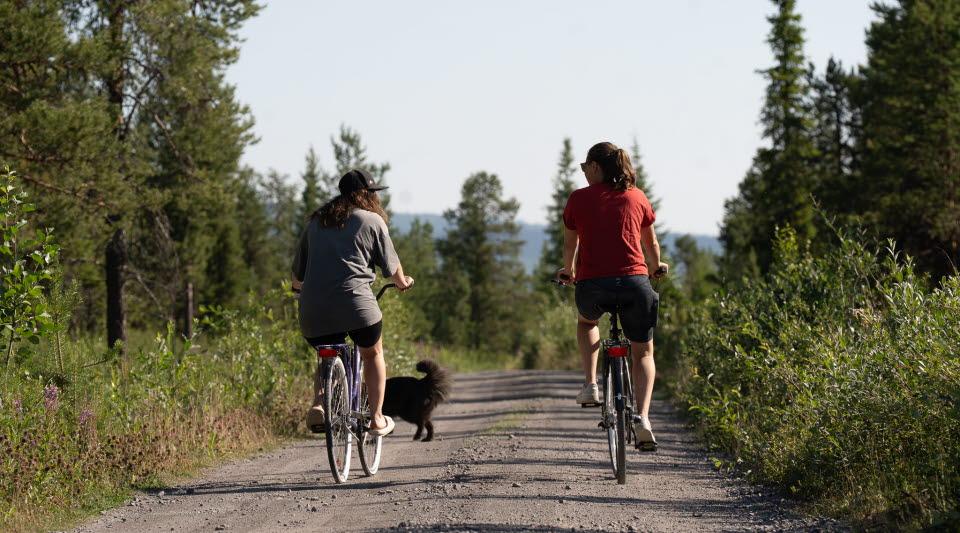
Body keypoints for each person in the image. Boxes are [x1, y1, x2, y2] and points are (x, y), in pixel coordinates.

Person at [557, 142, 668, 448]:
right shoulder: (637, 197)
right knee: (643, 352)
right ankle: (643, 419)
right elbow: (652, 245)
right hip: (635, 284)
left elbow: (570, 245)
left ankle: (591, 385)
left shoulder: (578, 199)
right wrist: (657, 267)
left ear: (595, 167)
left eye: (584, 168)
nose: (584, 173)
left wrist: (568, 270)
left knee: (587, 323)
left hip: (594, 285)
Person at [291, 168, 414, 437]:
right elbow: (393, 268)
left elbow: (296, 277)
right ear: (367, 195)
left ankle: (320, 404)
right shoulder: (372, 221)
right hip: (357, 306)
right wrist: (403, 283)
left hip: (314, 310)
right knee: (372, 354)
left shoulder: (315, 223)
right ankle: (377, 418)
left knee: (327, 355)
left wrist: (301, 291)